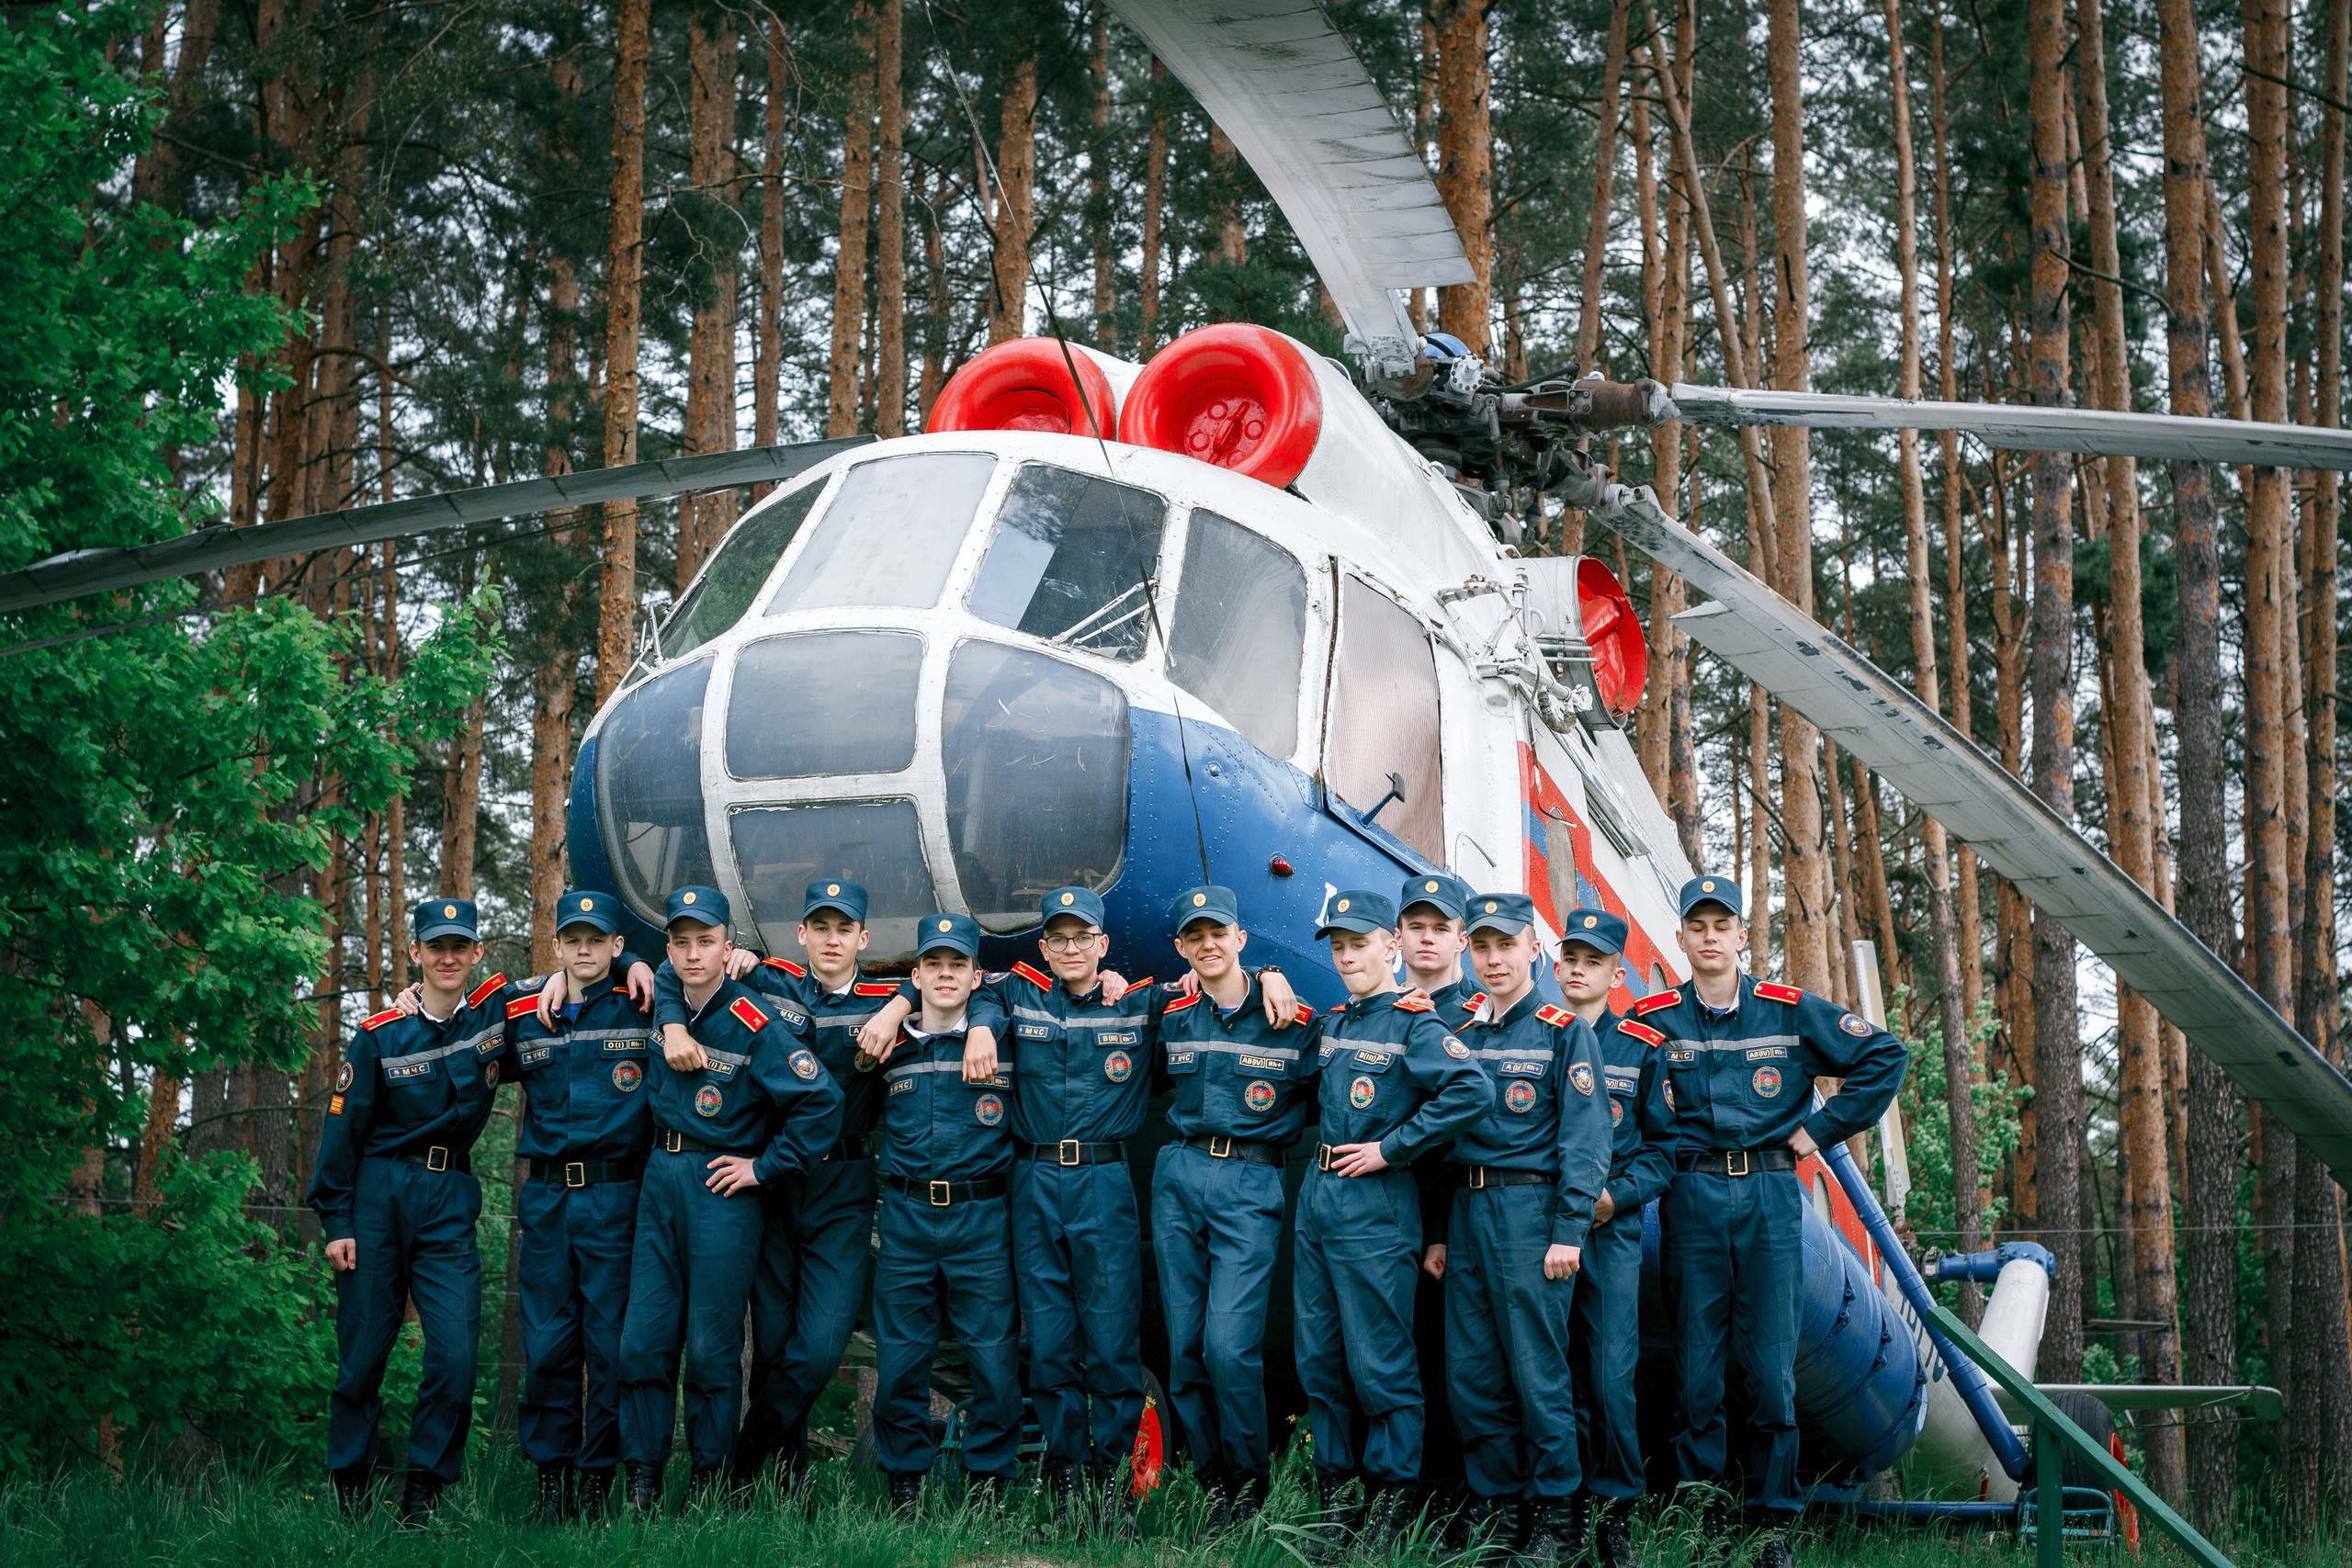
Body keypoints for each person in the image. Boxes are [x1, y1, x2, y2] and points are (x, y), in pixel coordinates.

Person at [1637, 877, 1907, 1568]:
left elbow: (1884, 1056)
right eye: (1695, 925)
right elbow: (1601, 1068)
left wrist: (1821, 1129)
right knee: (1697, 1370)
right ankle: (1700, 1517)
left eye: (1720, 924)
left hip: (1769, 1198)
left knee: (1769, 1372)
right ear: (1682, 938)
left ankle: (1771, 1526)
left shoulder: (1788, 1013)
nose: (1708, 936)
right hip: (1692, 1197)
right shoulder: (1654, 1017)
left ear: (1740, 936)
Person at [631, 878, 900, 1485]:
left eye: (844, 928)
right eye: (819, 927)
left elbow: (975, 989)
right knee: (773, 1343)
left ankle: (747, 1452)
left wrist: (900, 1006)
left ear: (863, 937)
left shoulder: (886, 999)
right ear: (801, 934)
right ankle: (780, 1483)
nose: (831, 939)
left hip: (841, 1183)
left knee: (820, 1346)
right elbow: (680, 967)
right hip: (775, 1189)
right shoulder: (770, 984)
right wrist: (672, 1021)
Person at [1293, 888, 1493, 1555]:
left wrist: (1392, 1147)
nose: (1349, 955)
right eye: (1339, 945)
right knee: (1320, 1361)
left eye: (1360, 943)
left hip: (1377, 1208)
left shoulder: (1416, 1023)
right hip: (1319, 1202)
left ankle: (1389, 1501)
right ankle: (1336, 1494)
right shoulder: (1338, 1020)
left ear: (1390, 947)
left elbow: (1472, 1090)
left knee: (1381, 1366)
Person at [309, 897, 519, 1524]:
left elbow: (556, 987)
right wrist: (337, 1223)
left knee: (455, 1357)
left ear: (478, 953)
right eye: (436, 946)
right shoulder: (379, 1034)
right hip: (378, 1197)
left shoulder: (491, 1021)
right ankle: (351, 1496)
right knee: (363, 1358)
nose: (448, 957)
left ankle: (421, 1494)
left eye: (460, 946)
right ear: (416, 954)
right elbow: (341, 1133)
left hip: (449, 1197)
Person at [1421, 893, 1611, 1563]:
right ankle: (1499, 1514)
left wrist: (1568, 1229)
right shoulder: (1462, 1035)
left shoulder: (1564, 1031)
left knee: (1538, 1373)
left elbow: (1586, 1140)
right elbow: (1446, 1144)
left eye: (1507, 944)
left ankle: (1557, 1520)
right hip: (1469, 1218)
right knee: (1472, 1376)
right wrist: (1440, 1230)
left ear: (1535, 949)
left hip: (1532, 1219)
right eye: (1482, 946)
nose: (1494, 958)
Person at [1150, 885, 1319, 1529]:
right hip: (1179, 1173)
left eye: (1218, 931)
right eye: (1194, 935)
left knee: (1229, 1345)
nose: (1208, 943)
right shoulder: (1171, 1016)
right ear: (1181, 948)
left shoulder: (1294, 1021)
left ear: (1241, 938)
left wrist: (1277, 977)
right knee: (1186, 1346)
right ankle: (1212, 1482)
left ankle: (1249, 1482)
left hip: (1250, 1181)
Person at [502, 890, 660, 1523]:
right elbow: (458, 1003)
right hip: (544, 1200)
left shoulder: (643, 1003)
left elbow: (709, 972)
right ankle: (552, 1481)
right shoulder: (526, 1013)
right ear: (559, 943)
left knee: (610, 1347)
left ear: (617, 944)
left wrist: (640, 966)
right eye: (574, 938)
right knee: (547, 1348)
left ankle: (596, 1480)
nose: (586, 947)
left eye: (600, 938)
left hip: (616, 1197)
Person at [866, 914, 1023, 1517]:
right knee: (902, 1361)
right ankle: (906, 1484)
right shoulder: (889, 1044)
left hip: (981, 1220)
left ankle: (988, 1486)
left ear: (975, 974)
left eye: (958, 963)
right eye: (934, 964)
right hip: (906, 1219)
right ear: (917, 974)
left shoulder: (1000, 1037)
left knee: (992, 1360)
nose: (946, 974)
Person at [1555, 908, 1675, 1568]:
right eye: (1570, 956)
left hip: (1609, 1233)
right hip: (1543, 1231)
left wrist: (1614, 1197)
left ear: (1616, 972)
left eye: (1593, 959)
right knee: (1550, 1374)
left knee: (1608, 1377)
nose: (1578, 968)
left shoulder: (1639, 1047)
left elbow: (1663, 1151)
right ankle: (1561, 1508)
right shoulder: (1537, 1035)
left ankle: (1614, 1513)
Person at [1396, 874, 1478, 1017]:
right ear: (1398, 938)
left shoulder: (1481, 1022)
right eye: (1416, 927)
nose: (1427, 938)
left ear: (1461, 942)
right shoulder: (1376, 1013)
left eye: (1441, 929)